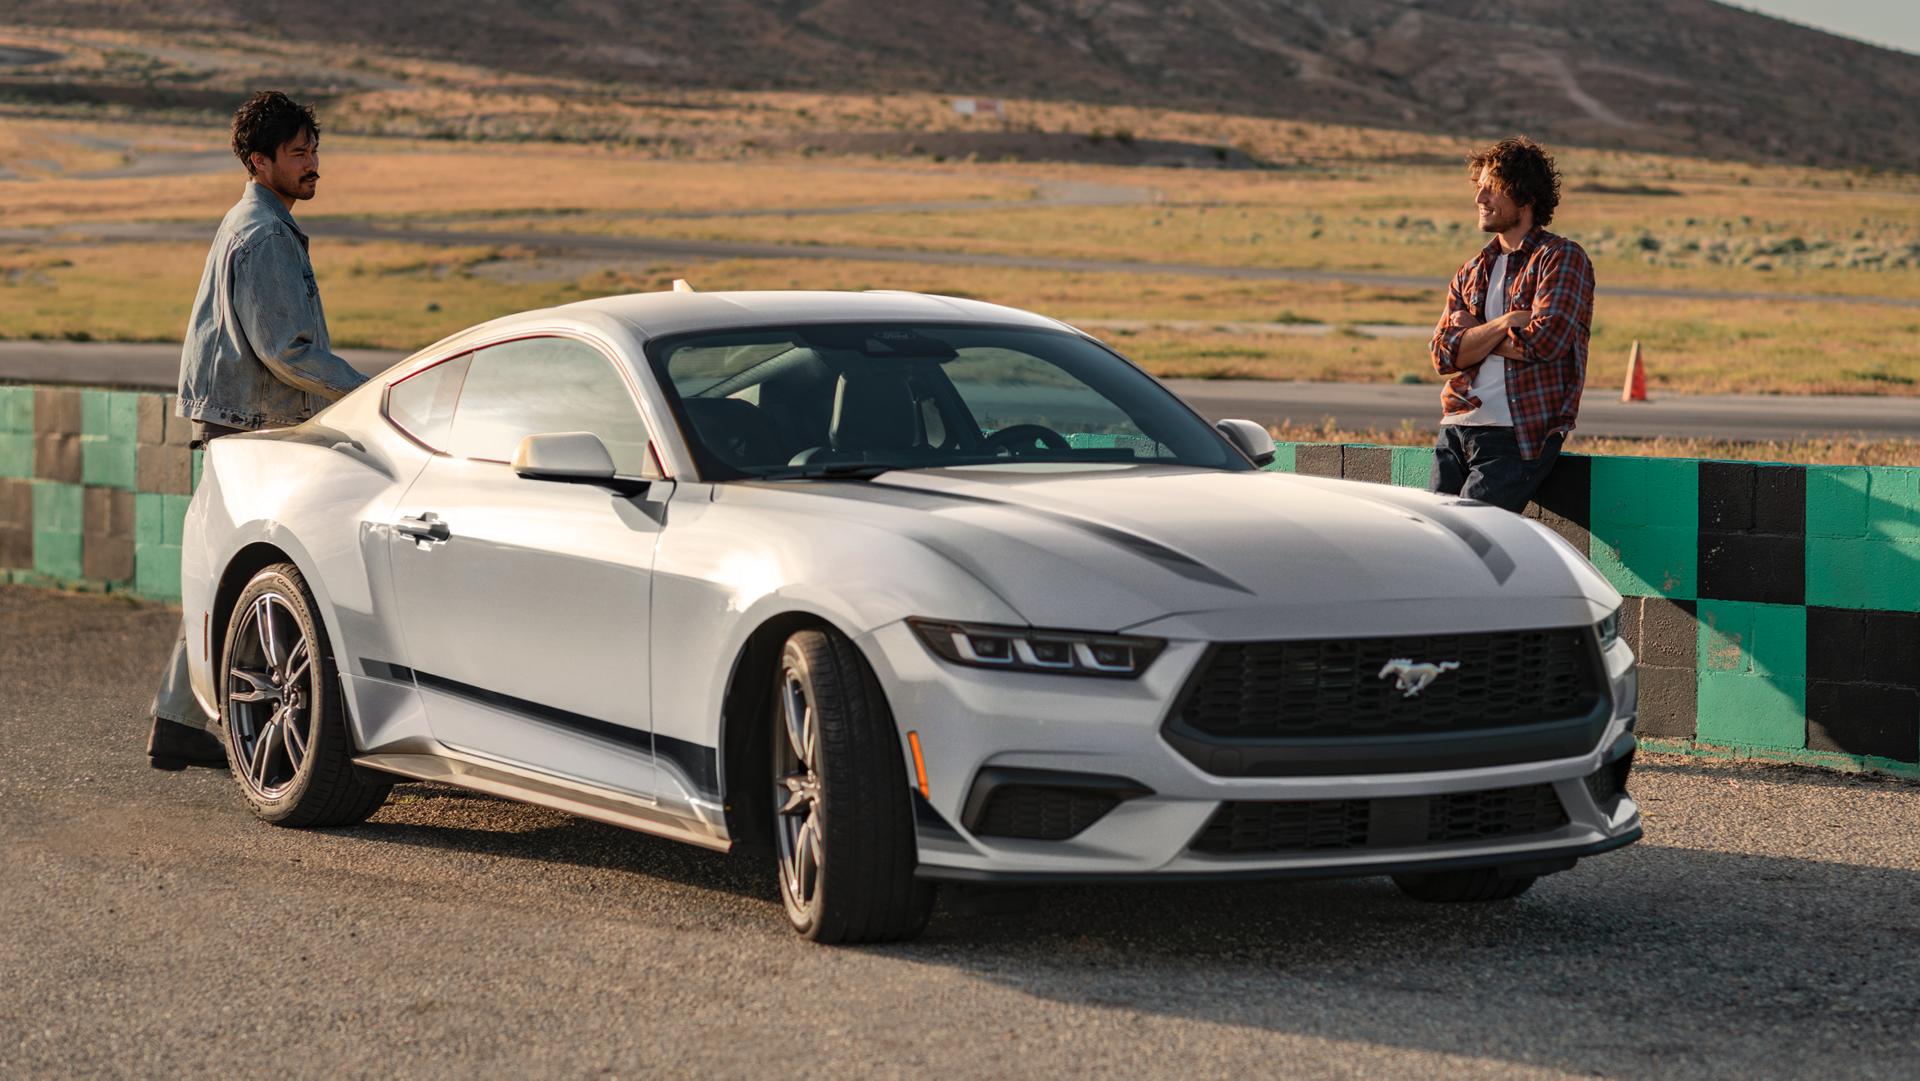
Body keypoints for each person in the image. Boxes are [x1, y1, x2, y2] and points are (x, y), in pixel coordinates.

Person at [146, 91, 370, 769]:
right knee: (262, 573)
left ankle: (180, 720)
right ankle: (265, 724)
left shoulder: (256, 220)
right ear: (258, 160)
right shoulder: (267, 233)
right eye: (298, 153)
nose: (313, 165)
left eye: (313, 150)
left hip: (238, 419)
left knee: (226, 572)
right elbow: (288, 350)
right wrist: (369, 396)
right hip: (251, 427)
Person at [1426, 136, 1593, 513]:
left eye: (1493, 188)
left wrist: (1475, 332)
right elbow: (1442, 355)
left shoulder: (1560, 258)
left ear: (1525, 195)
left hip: (1516, 432)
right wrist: (1505, 322)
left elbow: (1545, 343)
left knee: (1472, 543)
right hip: (1455, 425)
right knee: (1434, 543)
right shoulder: (1472, 269)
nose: (1479, 199)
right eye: (1479, 188)